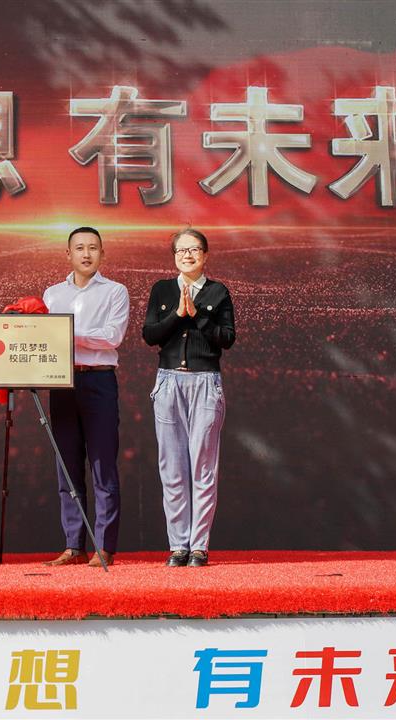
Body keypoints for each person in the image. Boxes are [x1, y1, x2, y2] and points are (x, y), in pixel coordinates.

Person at [141, 228, 236, 567]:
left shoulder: (218, 291)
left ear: (205, 255)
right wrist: (178, 315)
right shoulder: (162, 289)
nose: (187, 255)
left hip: (205, 383)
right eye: (181, 250)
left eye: (194, 249)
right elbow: (150, 334)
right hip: (168, 383)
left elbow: (226, 338)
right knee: (172, 467)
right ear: (174, 256)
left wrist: (198, 315)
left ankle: (199, 546)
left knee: (203, 467)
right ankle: (178, 545)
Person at [41, 227, 130, 567]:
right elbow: (45, 338)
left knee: (102, 465)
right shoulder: (52, 294)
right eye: (79, 248)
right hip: (62, 382)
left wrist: (66, 331)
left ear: (102, 254)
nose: (86, 254)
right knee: (67, 466)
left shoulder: (115, 291)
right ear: (68, 254)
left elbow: (112, 337)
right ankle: (73, 545)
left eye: (93, 248)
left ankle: (104, 546)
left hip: (99, 381)